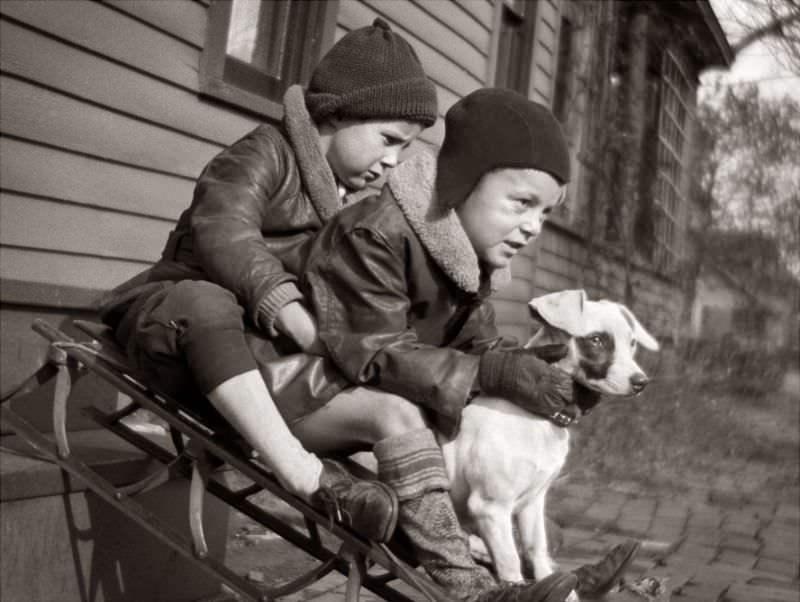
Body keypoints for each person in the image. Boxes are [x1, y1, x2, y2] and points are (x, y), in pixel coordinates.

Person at [273, 89, 639, 601]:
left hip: (361, 403)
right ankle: (475, 587)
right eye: (522, 203)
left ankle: (550, 578)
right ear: (463, 184)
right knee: (428, 431)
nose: (534, 226)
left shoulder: (463, 258)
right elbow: (374, 352)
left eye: (546, 212)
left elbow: (479, 344)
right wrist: (490, 375)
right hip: (298, 392)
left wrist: (541, 375)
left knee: (510, 481)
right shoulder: (376, 233)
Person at [99, 18, 439, 544]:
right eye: (389, 140)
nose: (393, 162)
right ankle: (304, 476)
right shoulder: (262, 154)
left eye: (406, 150)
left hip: (256, 365)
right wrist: (298, 321)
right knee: (206, 300)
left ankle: (455, 563)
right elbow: (225, 232)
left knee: (394, 402)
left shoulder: (356, 208)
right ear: (337, 112)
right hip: (174, 324)